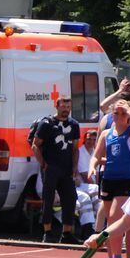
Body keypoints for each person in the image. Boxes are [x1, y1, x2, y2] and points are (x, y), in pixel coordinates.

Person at [88, 99, 130, 258]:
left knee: (116, 216)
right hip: (109, 178)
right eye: (116, 113)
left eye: (122, 114)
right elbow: (96, 155)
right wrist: (92, 167)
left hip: (126, 180)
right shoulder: (106, 134)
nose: (119, 116)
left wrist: (129, 111)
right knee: (110, 218)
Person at [32, 95, 81, 244]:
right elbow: (35, 145)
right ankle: (47, 232)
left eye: (68, 107)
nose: (66, 109)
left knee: (70, 198)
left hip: (66, 169)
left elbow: (75, 149)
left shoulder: (74, 124)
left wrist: (74, 167)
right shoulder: (47, 123)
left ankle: (66, 233)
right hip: (51, 167)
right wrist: (43, 164)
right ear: (57, 106)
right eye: (63, 106)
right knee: (49, 199)